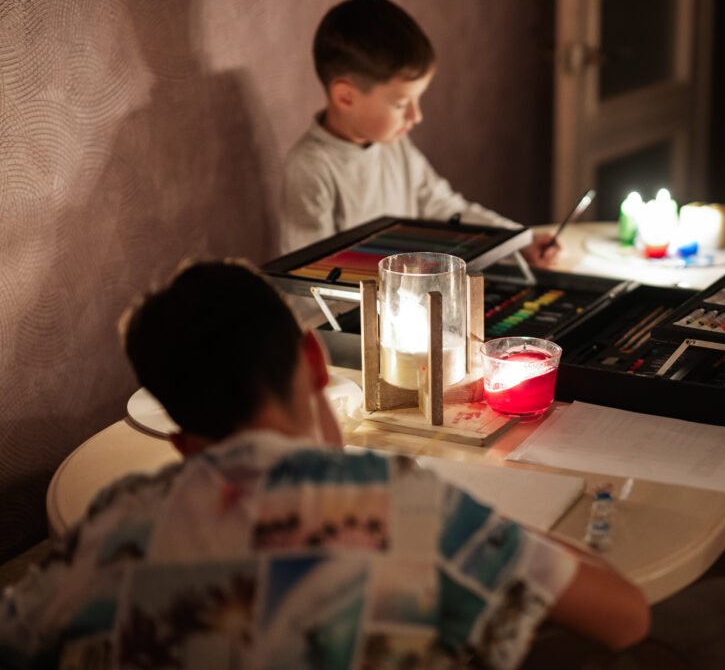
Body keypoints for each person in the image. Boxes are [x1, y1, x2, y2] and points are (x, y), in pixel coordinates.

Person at [0, 260, 647, 669]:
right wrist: (496, 528)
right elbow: (624, 616)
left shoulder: (113, 527)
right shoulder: (408, 510)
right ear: (313, 360)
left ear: (181, 437)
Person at [281, 0, 557, 265]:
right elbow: (307, 280)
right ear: (346, 97)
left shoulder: (394, 144)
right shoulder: (310, 168)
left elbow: (443, 207)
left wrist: (519, 242)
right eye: (402, 104)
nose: (417, 116)